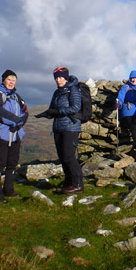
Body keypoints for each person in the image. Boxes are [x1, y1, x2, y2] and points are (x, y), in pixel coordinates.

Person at [36, 66, 83, 194]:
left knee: (69, 157)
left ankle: (78, 184)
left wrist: (58, 111)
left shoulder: (73, 89)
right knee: (62, 157)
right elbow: (53, 109)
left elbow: (75, 108)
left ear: (66, 78)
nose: (58, 80)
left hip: (71, 127)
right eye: (56, 78)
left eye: (61, 77)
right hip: (58, 127)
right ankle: (68, 184)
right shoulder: (57, 93)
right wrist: (47, 113)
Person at [0, 70, 29, 203]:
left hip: (16, 135)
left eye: (14, 80)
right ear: (3, 80)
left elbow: (25, 112)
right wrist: (15, 121)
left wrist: (19, 124)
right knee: (0, 163)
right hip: (3, 135)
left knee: (12, 164)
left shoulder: (17, 96)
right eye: (9, 79)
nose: (11, 82)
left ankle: (8, 189)